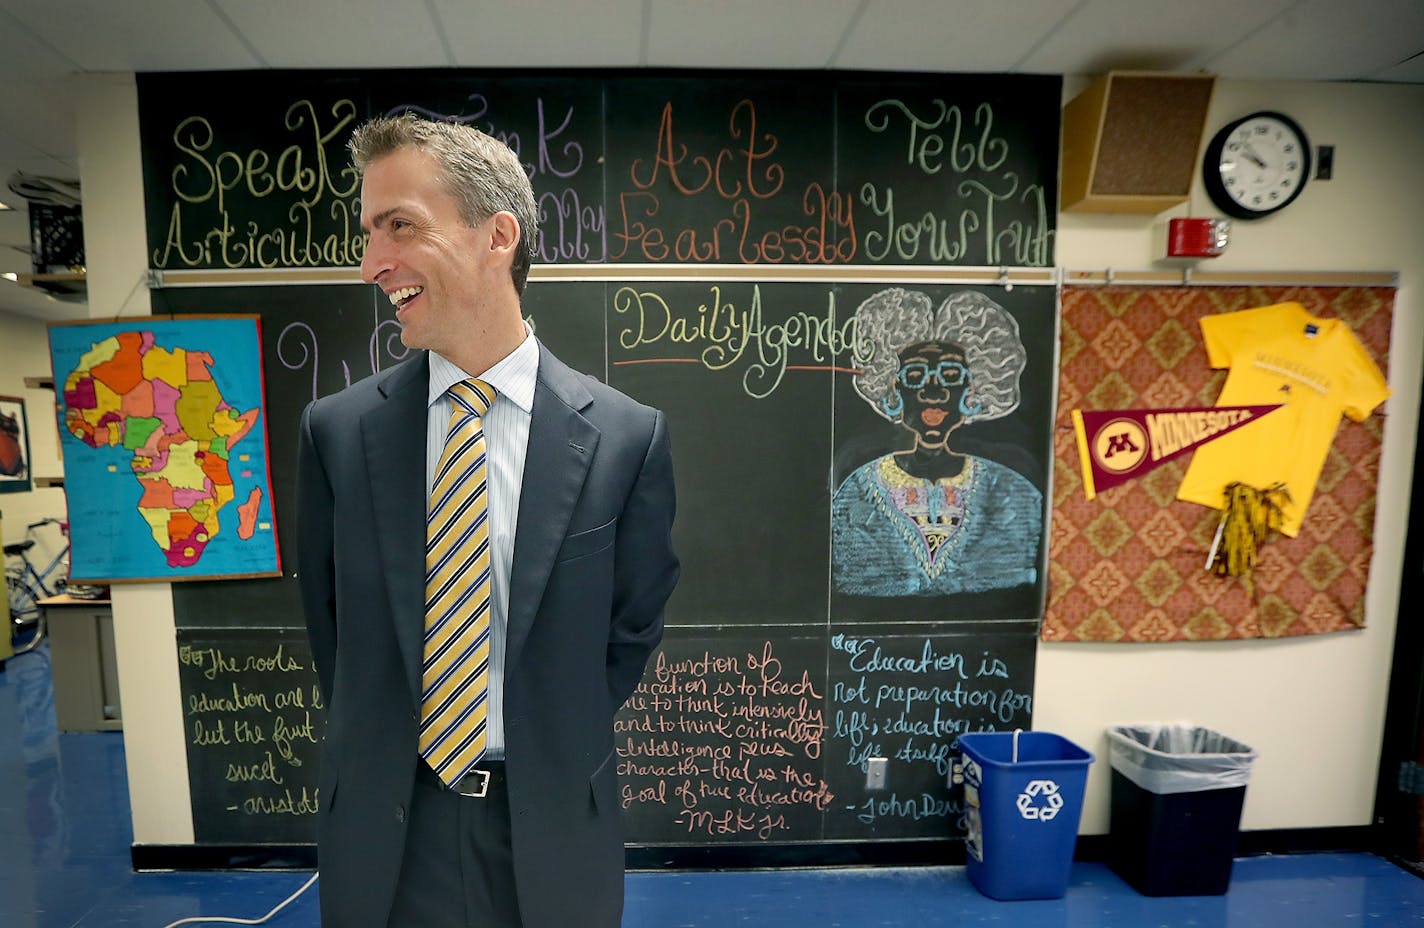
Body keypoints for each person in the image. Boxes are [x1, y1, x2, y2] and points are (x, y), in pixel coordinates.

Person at [296, 114, 679, 928]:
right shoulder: (337, 434)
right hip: (385, 828)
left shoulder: (623, 437)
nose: (372, 263)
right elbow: (331, 630)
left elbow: (631, 626)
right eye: (368, 232)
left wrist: (547, 731)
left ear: (497, 234)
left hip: (548, 823)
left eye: (399, 226)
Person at [832, 287, 1041, 596]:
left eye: (951, 375)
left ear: (975, 389)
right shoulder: (857, 489)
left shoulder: (1013, 492)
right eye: (915, 376)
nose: (934, 391)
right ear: (892, 391)